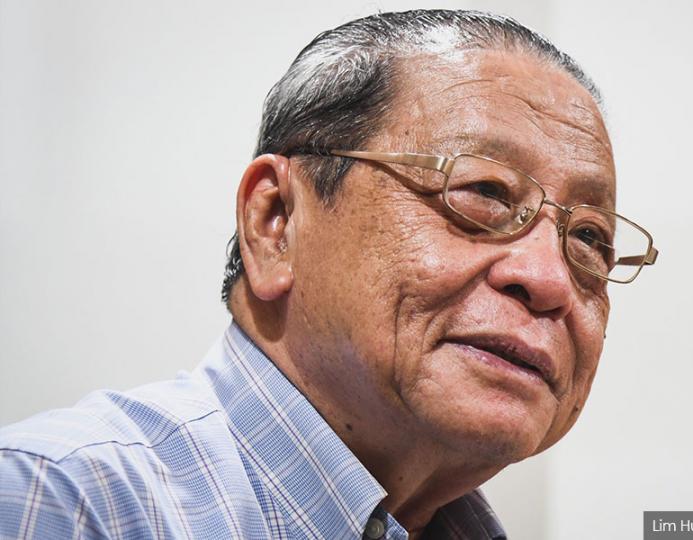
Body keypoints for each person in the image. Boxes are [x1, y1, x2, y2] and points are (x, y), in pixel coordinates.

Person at [0, 9, 657, 540]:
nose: (548, 279)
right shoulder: (59, 502)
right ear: (276, 223)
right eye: (484, 192)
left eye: (590, 238)